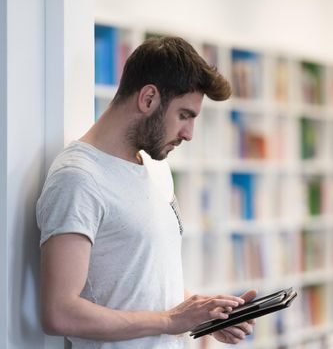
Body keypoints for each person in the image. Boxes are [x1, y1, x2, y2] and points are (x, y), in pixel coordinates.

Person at [36, 36, 256, 349]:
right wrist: (169, 321)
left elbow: (144, 284)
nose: (189, 134)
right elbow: (59, 312)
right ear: (149, 98)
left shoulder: (156, 169)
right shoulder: (78, 178)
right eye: (184, 115)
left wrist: (203, 315)